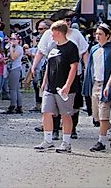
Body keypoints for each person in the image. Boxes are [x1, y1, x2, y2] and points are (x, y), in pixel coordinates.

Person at [34, 21, 79, 153]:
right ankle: (48, 140)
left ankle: (66, 142)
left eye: (52, 32)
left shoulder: (71, 47)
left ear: (58, 32)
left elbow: (74, 67)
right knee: (46, 112)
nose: (51, 35)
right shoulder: (53, 46)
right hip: (50, 85)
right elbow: (49, 64)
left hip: (65, 87)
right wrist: (44, 81)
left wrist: (67, 85)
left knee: (66, 114)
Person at [83, 24, 111, 151]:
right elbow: (90, 67)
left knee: (104, 114)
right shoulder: (94, 49)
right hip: (96, 83)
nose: (97, 36)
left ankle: (101, 141)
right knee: (97, 116)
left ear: (107, 36)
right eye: (96, 34)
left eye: (100, 34)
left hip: (106, 84)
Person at [5, 33, 25, 114]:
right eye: (11, 39)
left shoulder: (19, 48)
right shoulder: (14, 48)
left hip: (15, 68)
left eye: (14, 39)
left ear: (18, 41)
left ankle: (12, 105)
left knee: (12, 89)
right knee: (16, 89)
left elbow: (13, 57)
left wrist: (10, 47)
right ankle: (19, 106)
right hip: (12, 68)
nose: (12, 40)